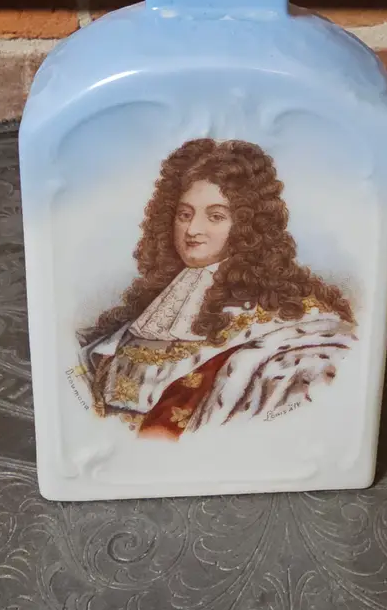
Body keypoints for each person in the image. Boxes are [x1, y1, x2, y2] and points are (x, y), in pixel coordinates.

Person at [78, 138, 356, 439]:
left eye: (215, 217)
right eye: (184, 215)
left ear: (247, 226)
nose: (192, 230)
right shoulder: (153, 310)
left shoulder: (292, 328)